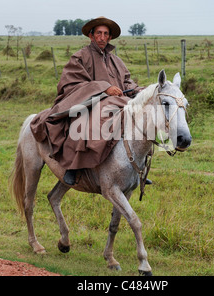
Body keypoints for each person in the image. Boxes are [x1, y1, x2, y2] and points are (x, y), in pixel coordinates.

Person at [30, 16, 150, 186]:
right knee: (85, 122)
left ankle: (135, 168)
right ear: (91, 36)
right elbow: (71, 84)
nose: (102, 37)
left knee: (140, 121)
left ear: (109, 37)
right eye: (99, 33)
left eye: (105, 34)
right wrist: (104, 88)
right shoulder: (80, 57)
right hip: (89, 103)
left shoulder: (116, 61)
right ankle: (74, 167)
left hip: (118, 103)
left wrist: (140, 91)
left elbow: (127, 82)